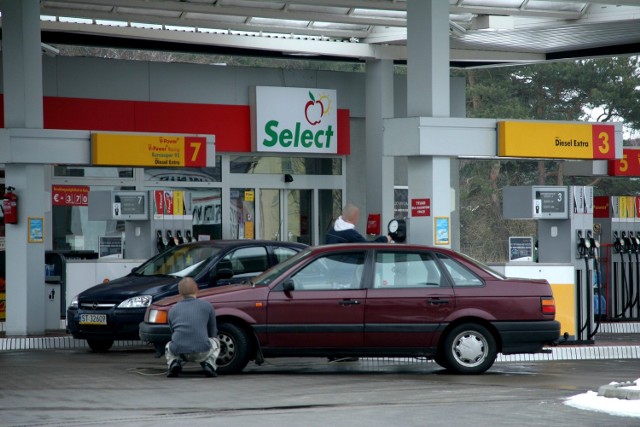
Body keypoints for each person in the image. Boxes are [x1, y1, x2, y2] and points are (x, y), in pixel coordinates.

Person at [165, 277, 220, 378]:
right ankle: (209, 364)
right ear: (197, 289)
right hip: (203, 351)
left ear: (179, 292)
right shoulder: (207, 306)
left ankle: (174, 363)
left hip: (179, 351)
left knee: (168, 345)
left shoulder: (172, 309)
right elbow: (213, 331)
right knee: (216, 342)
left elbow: (172, 331)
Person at [325, 203, 393, 244]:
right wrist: (385, 239)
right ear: (354, 218)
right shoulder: (351, 234)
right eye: (358, 215)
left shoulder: (331, 231)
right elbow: (368, 247)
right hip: (346, 267)